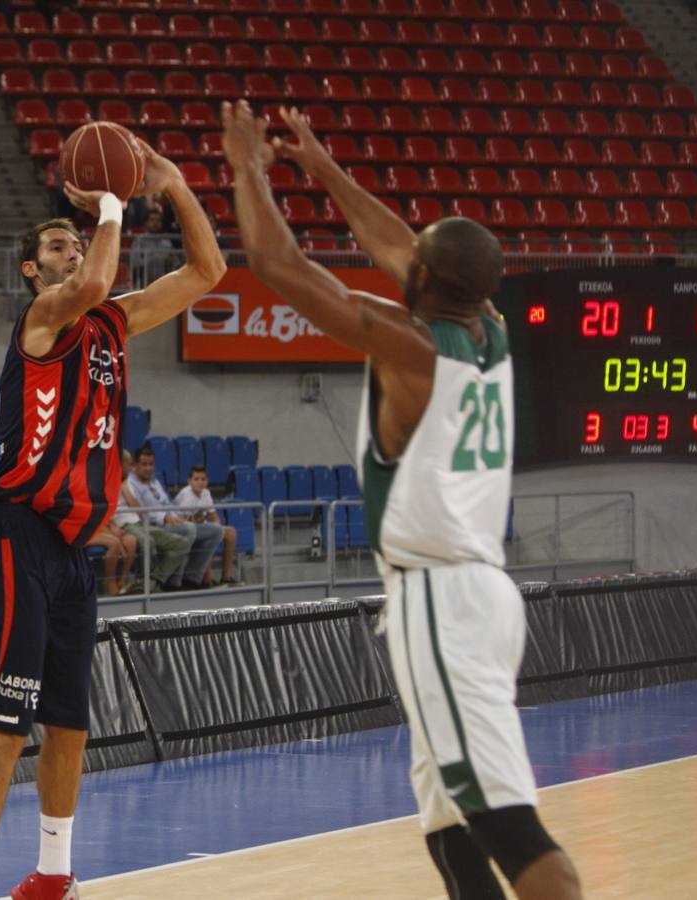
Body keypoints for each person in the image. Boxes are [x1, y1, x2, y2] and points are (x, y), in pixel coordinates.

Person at [222, 100, 581, 900]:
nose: (399, 255)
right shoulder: (488, 329)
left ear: (421, 281)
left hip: (440, 600)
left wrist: (249, 167)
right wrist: (321, 168)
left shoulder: (412, 348)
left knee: (508, 828)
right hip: (485, 595)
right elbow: (401, 248)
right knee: (447, 822)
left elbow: (280, 267)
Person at [0, 135, 224, 900]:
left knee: (70, 723)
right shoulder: (45, 314)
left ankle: (55, 873)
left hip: (74, 550)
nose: (74, 251)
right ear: (36, 268)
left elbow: (208, 272)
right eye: (57, 244)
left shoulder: (113, 324)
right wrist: (110, 202)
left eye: (76, 241)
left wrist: (171, 185)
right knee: (8, 720)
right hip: (18, 535)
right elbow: (99, 275)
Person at [127, 446, 220, 591]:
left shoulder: (154, 481)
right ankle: (173, 582)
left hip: (173, 521)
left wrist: (180, 517)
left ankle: (192, 578)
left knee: (216, 530)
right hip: (153, 525)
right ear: (135, 465)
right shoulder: (131, 484)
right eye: (144, 464)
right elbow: (140, 511)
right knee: (188, 530)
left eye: (151, 464)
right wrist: (164, 517)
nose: (148, 468)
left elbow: (167, 504)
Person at [113, 452, 189, 593]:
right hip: (124, 524)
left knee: (181, 544)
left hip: (139, 522)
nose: (132, 468)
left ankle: (153, 580)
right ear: (120, 465)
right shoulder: (106, 482)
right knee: (148, 542)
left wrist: (124, 487)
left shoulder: (126, 482)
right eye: (130, 464)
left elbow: (137, 509)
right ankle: (143, 583)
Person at [173, 465, 241, 587]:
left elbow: (214, 516)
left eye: (203, 479)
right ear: (189, 481)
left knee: (231, 533)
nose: (200, 482)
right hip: (184, 530)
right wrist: (204, 525)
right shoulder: (185, 495)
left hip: (201, 527)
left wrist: (219, 530)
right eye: (196, 479)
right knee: (208, 536)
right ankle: (207, 580)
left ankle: (226, 577)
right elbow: (181, 521)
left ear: (207, 481)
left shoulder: (206, 493)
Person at [129, 207, 177, 288]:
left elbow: (176, 263)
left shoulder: (167, 242)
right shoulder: (139, 240)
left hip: (164, 284)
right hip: (144, 284)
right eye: (152, 220)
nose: (155, 223)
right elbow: (135, 262)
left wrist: (169, 259)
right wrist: (155, 258)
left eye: (158, 220)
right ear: (146, 223)